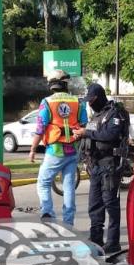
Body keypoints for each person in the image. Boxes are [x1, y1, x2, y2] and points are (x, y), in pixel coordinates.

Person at [75, 83, 129, 254]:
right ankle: (96, 238)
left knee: (110, 204)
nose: (89, 104)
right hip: (96, 165)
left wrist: (86, 133)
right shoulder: (96, 115)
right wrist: (80, 133)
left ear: (98, 98)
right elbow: (90, 134)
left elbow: (110, 135)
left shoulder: (115, 114)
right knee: (95, 204)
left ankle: (113, 242)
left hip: (110, 165)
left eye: (91, 101)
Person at [29, 70, 87, 225]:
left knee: (43, 182)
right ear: (65, 83)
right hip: (72, 150)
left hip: (55, 150)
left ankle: (48, 213)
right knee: (68, 186)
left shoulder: (47, 102)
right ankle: (69, 223)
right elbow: (83, 124)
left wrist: (33, 149)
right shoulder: (77, 102)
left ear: (52, 85)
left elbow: (40, 128)